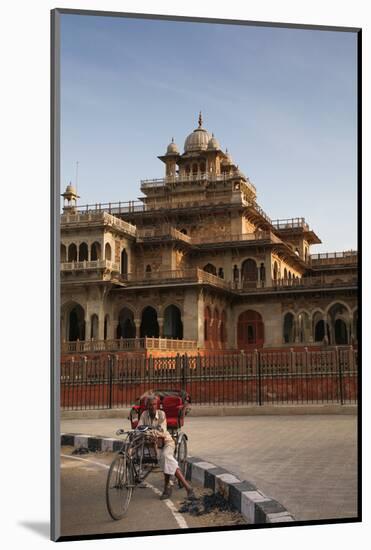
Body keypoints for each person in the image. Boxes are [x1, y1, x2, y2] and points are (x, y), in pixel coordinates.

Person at [137, 394, 196, 500]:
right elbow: (139, 428)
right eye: (150, 405)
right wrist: (146, 433)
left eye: (154, 404)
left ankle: (183, 487)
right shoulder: (144, 415)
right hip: (152, 445)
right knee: (164, 459)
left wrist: (148, 433)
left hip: (167, 442)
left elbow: (162, 432)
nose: (152, 407)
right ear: (147, 406)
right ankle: (171, 487)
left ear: (157, 405)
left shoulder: (162, 414)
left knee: (165, 457)